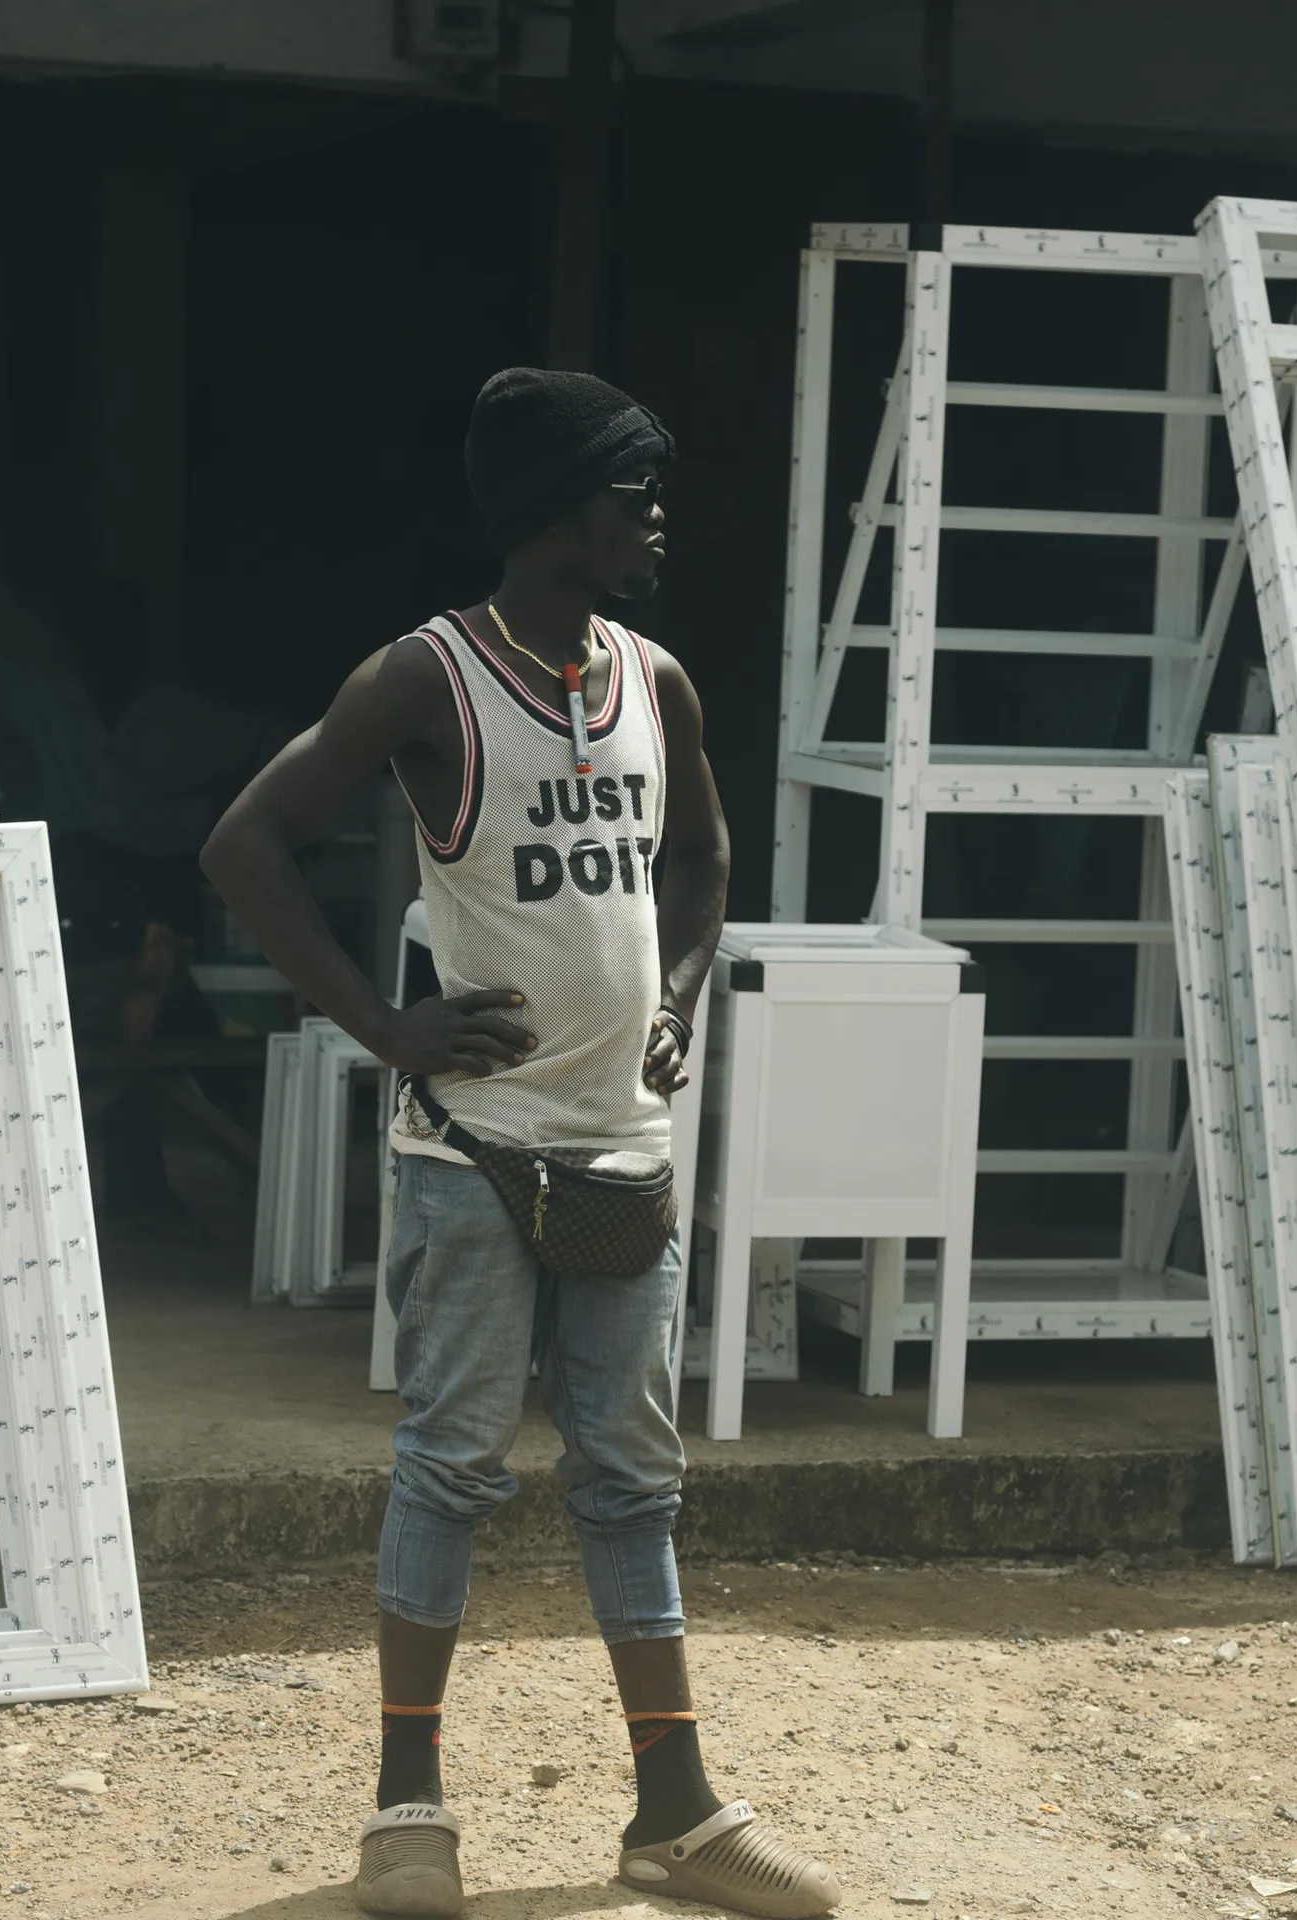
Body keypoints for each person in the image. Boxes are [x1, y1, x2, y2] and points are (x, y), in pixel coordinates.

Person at [202, 368, 839, 1919]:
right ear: (557, 513)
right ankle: (406, 1815)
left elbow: (704, 859)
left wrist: (678, 994)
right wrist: (388, 1025)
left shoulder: (655, 682)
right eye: (636, 495)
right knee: (452, 1469)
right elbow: (245, 844)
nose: (661, 519)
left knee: (632, 1479)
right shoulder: (425, 679)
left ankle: (675, 1815)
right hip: (475, 1153)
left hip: (623, 1147)